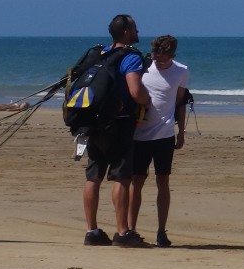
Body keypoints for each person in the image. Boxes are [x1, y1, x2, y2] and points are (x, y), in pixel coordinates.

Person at [77, 14, 149, 247]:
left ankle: (92, 231)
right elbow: (136, 91)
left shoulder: (99, 53)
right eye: (135, 27)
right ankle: (122, 232)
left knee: (94, 176)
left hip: (93, 122)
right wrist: (149, 101)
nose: (138, 31)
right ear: (127, 32)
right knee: (121, 176)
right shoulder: (130, 57)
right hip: (119, 123)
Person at [124, 35, 190, 247]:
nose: (158, 61)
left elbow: (180, 103)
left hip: (165, 134)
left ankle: (161, 232)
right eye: (156, 57)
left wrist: (181, 132)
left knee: (163, 181)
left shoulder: (181, 71)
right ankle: (131, 229)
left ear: (172, 55)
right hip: (139, 135)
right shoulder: (143, 68)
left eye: (163, 58)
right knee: (137, 181)